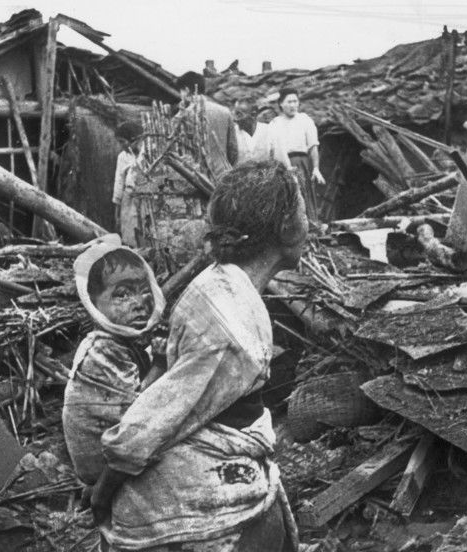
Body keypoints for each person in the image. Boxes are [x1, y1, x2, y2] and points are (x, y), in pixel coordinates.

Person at [91, 161, 307, 552]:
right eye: (304, 211)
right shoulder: (232, 327)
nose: (311, 222)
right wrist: (103, 493)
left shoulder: (217, 282)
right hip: (192, 508)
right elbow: (149, 423)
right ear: (287, 228)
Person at [63, 236, 167, 488]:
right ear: (94, 303)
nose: (139, 303)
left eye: (144, 291)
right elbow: (137, 412)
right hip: (102, 469)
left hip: (112, 457)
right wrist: (159, 364)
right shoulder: (103, 350)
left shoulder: (120, 343)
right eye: (122, 295)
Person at [266, 88, 326, 221]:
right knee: (287, 200)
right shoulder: (275, 123)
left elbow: (313, 146)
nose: (293, 105)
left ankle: (310, 226)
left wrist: (316, 168)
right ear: (281, 104)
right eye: (289, 102)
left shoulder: (305, 120)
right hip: (282, 165)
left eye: (295, 101)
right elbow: (272, 150)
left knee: (304, 196)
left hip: (301, 163)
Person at [174, 71, 238, 180]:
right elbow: (233, 150)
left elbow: (178, 154)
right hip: (223, 176)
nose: (180, 95)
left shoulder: (182, 117)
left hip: (197, 179)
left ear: (187, 90)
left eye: (181, 91)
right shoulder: (225, 111)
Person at [112, 121, 146, 231]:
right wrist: (117, 214)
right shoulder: (122, 157)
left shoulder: (146, 153)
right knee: (129, 232)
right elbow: (119, 184)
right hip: (129, 200)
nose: (121, 146)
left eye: (122, 142)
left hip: (146, 198)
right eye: (119, 142)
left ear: (133, 140)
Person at [234, 98, 271, 163]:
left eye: (239, 114)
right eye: (235, 114)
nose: (235, 119)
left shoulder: (269, 130)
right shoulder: (232, 133)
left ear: (253, 115)